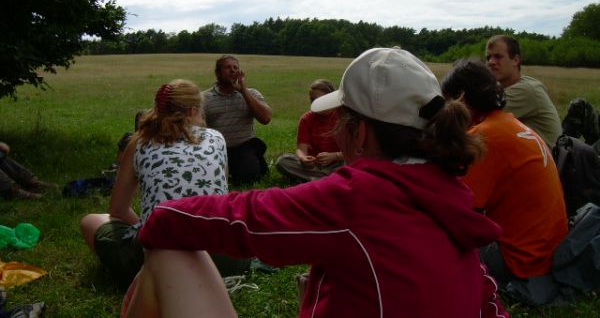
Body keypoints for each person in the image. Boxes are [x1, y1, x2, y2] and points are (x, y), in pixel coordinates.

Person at [123, 47, 503, 318]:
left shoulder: (358, 197)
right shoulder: (450, 194)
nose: (335, 132)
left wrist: (155, 219)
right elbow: (487, 298)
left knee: (167, 252)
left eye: (340, 121)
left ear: (360, 133)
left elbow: (244, 217)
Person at [80, 79, 248, 290]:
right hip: (226, 260)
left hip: (157, 266)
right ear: (194, 110)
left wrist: (147, 223)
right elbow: (221, 194)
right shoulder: (216, 138)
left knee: (90, 221)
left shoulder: (139, 142)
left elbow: (118, 209)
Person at [441, 59, 568, 285]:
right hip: (548, 254)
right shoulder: (511, 125)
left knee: (433, 239)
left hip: (519, 262)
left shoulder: (484, 136)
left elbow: (459, 212)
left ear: (461, 101)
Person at [203, 55, 272, 184]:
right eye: (227, 67)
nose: (233, 70)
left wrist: (243, 91)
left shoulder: (252, 94)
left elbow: (266, 118)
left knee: (249, 177)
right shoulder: (205, 98)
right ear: (218, 73)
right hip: (215, 149)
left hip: (243, 147)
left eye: (236, 67)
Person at [485, 35, 562, 148]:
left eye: (498, 57)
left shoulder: (527, 90)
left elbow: (478, 117)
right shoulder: (509, 86)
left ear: (515, 60)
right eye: (488, 58)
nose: (491, 62)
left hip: (548, 162)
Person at [276, 79, 343, 182]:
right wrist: (303, 158)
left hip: (338, 163)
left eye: (321, 100)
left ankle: (316, 179)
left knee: (353, 163)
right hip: (314, 166)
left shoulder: (343, 116)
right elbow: (301, 149)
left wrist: (334, 156)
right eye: (313, 100)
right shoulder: (306, 119)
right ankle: (332, 179)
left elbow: (355, 151)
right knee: (283, 161)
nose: (316, 103)